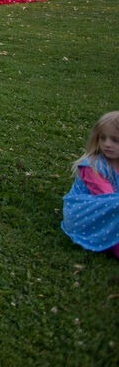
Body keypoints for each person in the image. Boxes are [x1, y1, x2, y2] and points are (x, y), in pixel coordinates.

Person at [61, 111, 119, 259]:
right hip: (85, 214)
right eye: (103, 138)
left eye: (115, 140)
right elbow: (105, 197)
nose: (107, 144)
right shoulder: (93, 166)